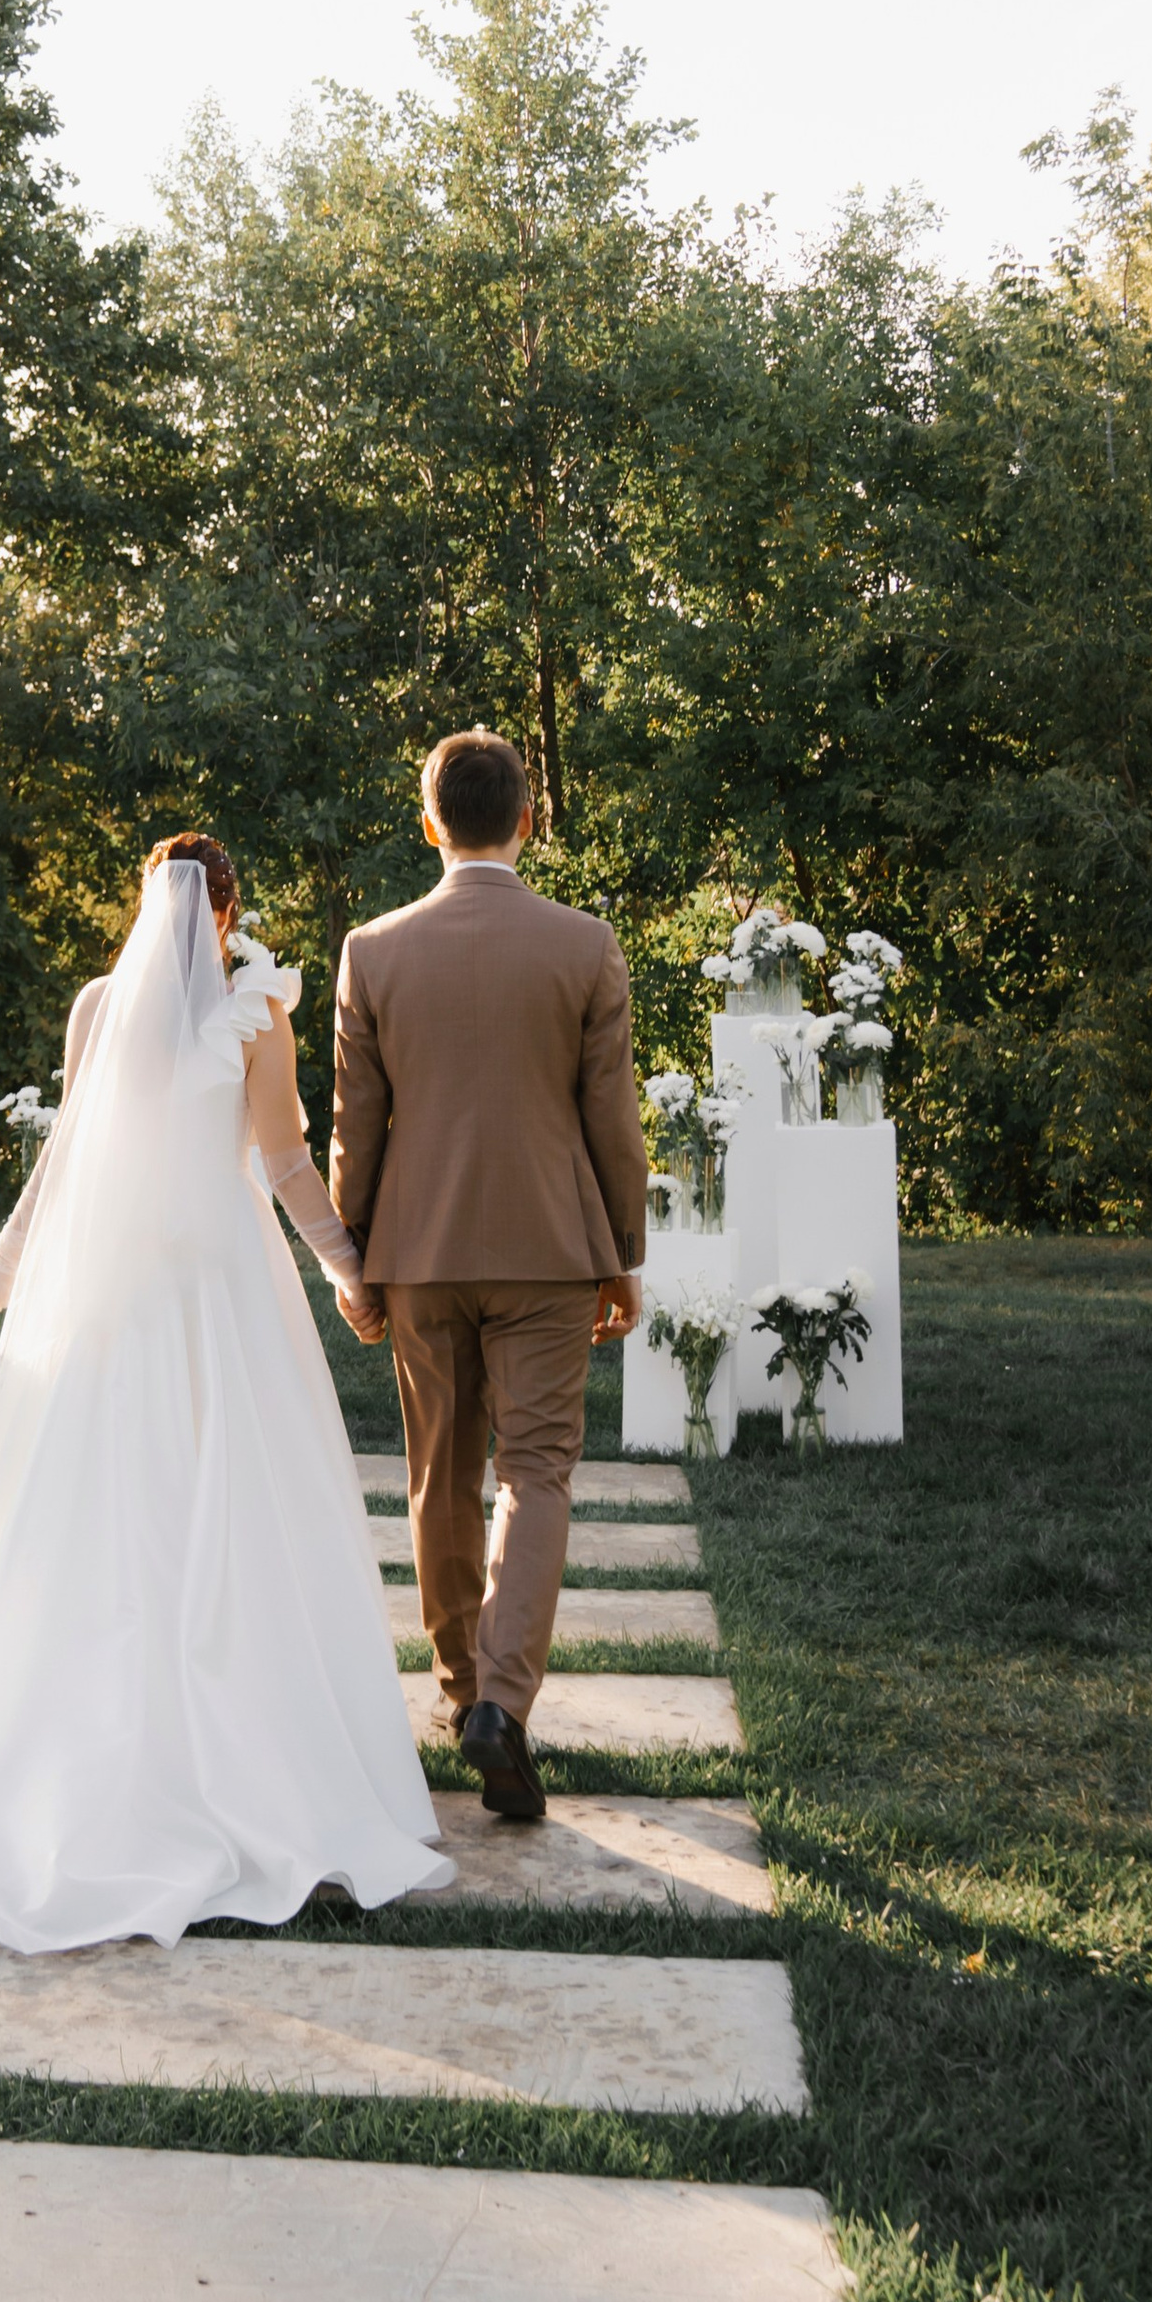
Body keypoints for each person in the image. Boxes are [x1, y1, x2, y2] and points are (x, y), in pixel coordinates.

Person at [0, 833, 454, 1950]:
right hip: (221, 1295)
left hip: (108, 1300)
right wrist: (351, 1271)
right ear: (228, 912)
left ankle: (82, 1773)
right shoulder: (256, 1011)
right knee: (240, 1515)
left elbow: (57, 1171)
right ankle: (254, 1773)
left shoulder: (99, 1007)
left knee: (99, 1519)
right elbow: (286, 1166)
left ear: (148, 904)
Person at [328, 730, 647, 1824]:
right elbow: (611, 1118)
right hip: (550, 1250)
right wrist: (623, 1253)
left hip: (418, 1254)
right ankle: (504, 1704)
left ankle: (461, 1685)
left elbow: (355, 1125)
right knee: (537, 1472)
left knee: (440, 1472)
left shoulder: (371, 951)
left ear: (429, 823)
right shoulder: (585, 945)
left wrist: (353, 1255)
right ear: (527, 821)